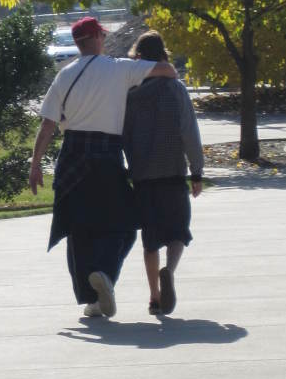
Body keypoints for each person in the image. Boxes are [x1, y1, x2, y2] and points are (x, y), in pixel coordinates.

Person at [29, 17, 177, 318]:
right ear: (97, 36)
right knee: (124, 226)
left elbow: (47, 126)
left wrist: (34, 165)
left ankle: (91, 298)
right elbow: (168, 70)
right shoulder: (119, 68)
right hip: (107, 156)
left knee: (78, 230)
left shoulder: (64, 76)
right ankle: (105, 276)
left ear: (77, 43)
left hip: (72, 157)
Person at [123, 30, 204, 315]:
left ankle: (155, 297)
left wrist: (131, 164)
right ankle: (169, 270)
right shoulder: (176, 89)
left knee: (150, 239)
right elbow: (190, 133)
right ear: (164, 55)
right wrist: (197, 171)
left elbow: (124, 135)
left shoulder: (130, 95)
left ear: (139, 57)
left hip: (144, 176)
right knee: (178, 232)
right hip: (172, 172)